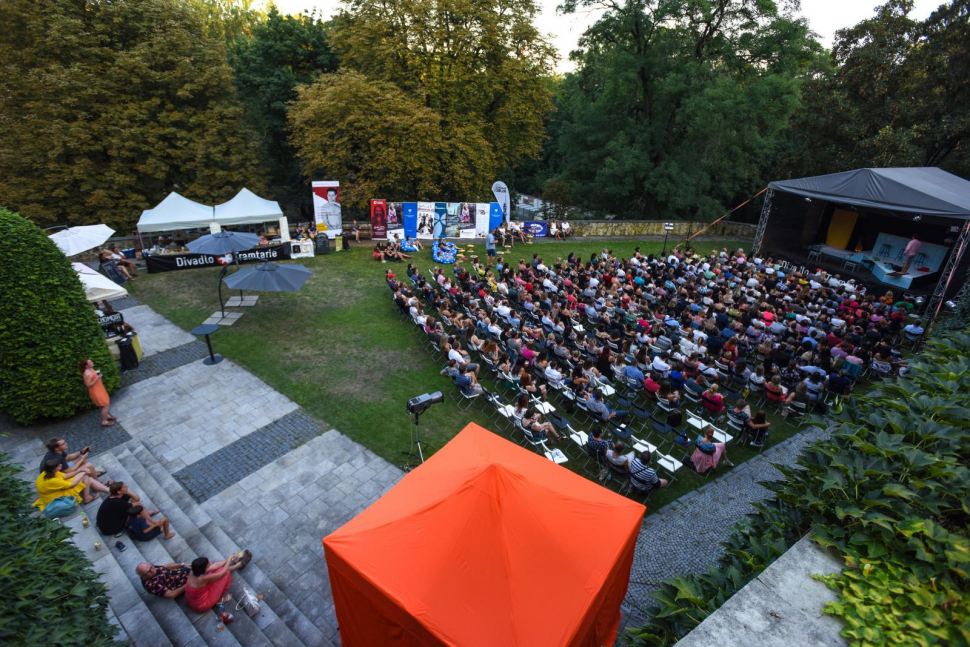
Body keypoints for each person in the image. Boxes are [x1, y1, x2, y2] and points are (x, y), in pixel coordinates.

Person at [184, 553, 250, 613]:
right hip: (202, 604)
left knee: (216, 569)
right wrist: (229, 558)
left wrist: (228, 561)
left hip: (191, 600)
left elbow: (215, 565)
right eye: (208, 564)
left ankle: (234, 564)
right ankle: (237, 566)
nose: (210, 563)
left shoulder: (194, 571)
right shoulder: (201, 578)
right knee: (225, 573)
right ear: (203, 569)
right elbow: (222, 573)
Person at [35, 458, 107, 509]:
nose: (61, 465)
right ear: (54, 469)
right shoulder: (52, 480)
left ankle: (108, 490)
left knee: (87, 478)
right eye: (59, 465)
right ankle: (88, 497)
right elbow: (72, 484)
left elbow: (65, 476)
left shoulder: (48, 472)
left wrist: (80, 471)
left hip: (54, 490)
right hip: (56, 497)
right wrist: (83, 472)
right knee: (85, 477)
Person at [96, 481, 163, 535]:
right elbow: (137, 506)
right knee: (139, 508)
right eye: (124, 487)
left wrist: (128, 492)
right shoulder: (118, 502)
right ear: (119, 491)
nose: (127, 487)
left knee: (136, 506)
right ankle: (153, 523)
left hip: (109, 520)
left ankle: (147, 514)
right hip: (110, 528)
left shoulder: (118, 495)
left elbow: (137, 499)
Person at [80, 359, 115, 426]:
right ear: (86, 366)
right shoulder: (87, 374)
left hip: (99, 389)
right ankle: (104, 421)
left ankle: (106, 416)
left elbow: (94, 375)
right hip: (96, 392)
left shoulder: (91, 369)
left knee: (102, 405)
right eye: (90, 362)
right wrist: (97, 378)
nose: (92, 362)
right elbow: (88, 385)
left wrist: (98, 375)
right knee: (106, 404)